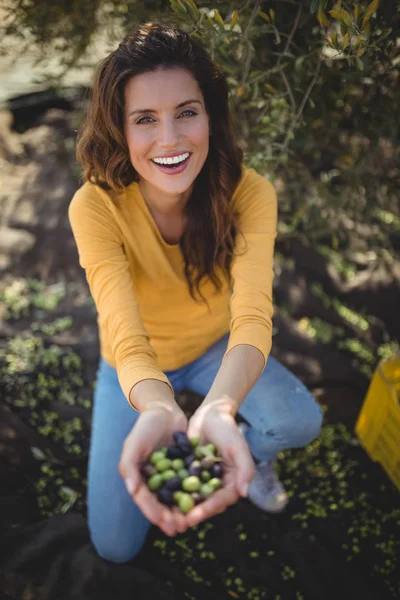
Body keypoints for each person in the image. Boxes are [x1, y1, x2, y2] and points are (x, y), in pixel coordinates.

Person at [68, 22, 323, 564]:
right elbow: (124, 334)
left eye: (186, 111)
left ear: (210, 115)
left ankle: (243, 456)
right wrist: (159, 407)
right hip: (133, 368)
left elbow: (253, 317)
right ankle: (201, 438)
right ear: (120, 129)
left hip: (216, 350)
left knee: (300, 421)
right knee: (114, 547)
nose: (170, 139)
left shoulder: (250, 193)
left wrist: (222, 407)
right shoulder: (94, 207)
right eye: (144, 120)